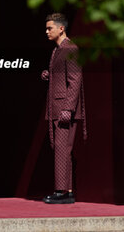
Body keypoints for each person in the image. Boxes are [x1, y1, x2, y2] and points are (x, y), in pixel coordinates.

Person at [41, 13, 86, 204]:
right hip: (57, 107)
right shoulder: (57, 50)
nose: (46, 31)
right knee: (60, 148)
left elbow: (75, 81)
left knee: (61, 148)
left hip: (64, 109)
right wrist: (49, 75)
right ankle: (66, 191)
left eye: (49, 28)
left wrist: (67, 108)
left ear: (61, 28)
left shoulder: (71, 48)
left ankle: (61, 192)